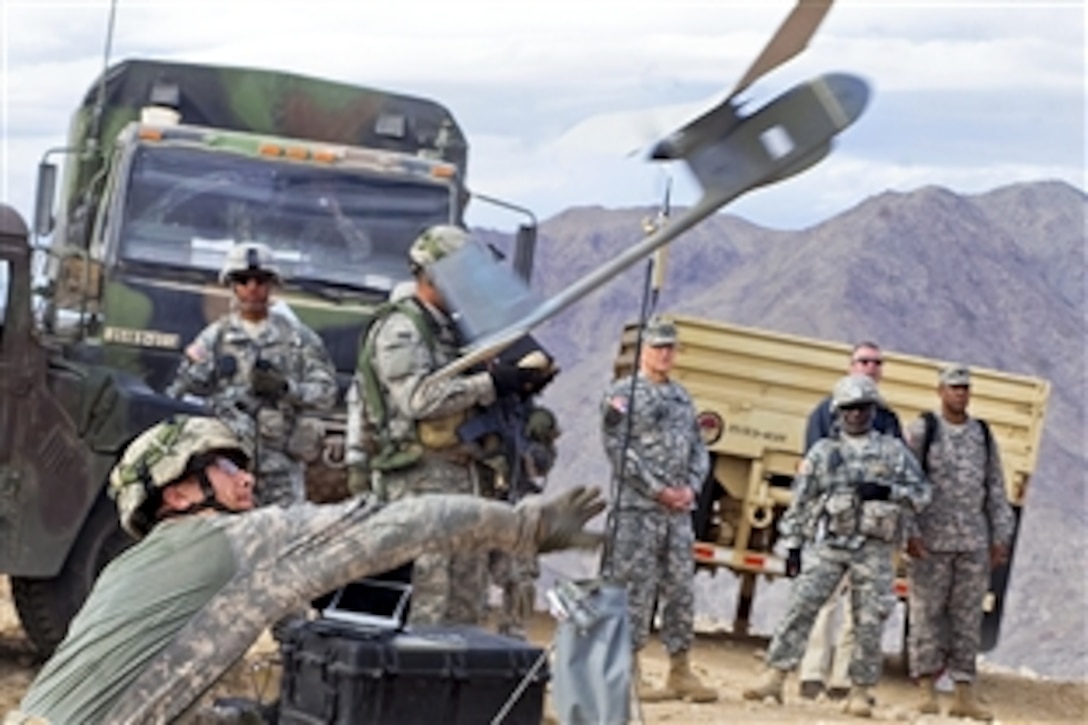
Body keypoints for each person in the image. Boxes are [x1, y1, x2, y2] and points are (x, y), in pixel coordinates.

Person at [7, 415, 605, 724]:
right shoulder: (234, 542)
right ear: (180, 494)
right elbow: (403, 522)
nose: (246, 477)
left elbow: (133, 686)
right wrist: (526, 528)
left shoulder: (128, 571)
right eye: (222, 465)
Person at [357, 224, 555, 627]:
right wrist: (490, 384)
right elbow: (418, 399)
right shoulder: (402, 329)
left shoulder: (446, 330)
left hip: (463, 480)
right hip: (419, 485)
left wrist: (516, 384)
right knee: (427, 604)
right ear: (431, 276)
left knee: (465, 603)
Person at [743, 374, 931, 717]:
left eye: (862, 408)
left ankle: (860, 691)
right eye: (848, 409)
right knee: (802, 606)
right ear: (837, 412)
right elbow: (803, 501)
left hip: (873, 547)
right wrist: (795, 546)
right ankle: (774, 676)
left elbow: (922, 494)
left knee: (869, 619)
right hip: (830, 543)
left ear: (873, 411)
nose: (856, 415)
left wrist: (888, 492)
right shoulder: (824, 452)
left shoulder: (892, 452)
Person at [599, 315, 718, 703]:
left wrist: (690, 488)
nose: (664, 354)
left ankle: (680, 669)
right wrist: (657, 490)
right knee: (635, 590)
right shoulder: (622, 395)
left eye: (670, 347)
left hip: (677, 515)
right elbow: (617, 449)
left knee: (681, 588)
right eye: (657, 347)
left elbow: (699, 449)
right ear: (643, 350)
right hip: (638, 512)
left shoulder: (682, 398)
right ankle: (628, 669)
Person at [167, 241, 337, 508]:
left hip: (281, 466)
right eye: (243, 280)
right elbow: (178, 394)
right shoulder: (215, 339)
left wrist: (286, 389)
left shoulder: (298, 338)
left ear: (272, 284)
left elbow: (326, 393)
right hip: (229, 470)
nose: (252, 288)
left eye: (260, 280)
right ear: (231, 285)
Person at [904, 363, 1014, 720]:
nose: (960, 393)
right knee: (926, 613)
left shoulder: (981, 434)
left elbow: (995, 487)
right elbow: (905, 484)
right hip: (930, 542)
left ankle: (964, 692)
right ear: (940, 391)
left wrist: (1001, 535)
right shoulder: (924, 430)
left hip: (972, 542)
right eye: (953, 387)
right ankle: (926, 687)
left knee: (967, 617)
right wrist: (909, 531)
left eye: (965, 387)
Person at [798, 340, 904, 700]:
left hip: (872, 529)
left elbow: (899, 471)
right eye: (863, 361)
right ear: (850, 365)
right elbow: (813, 465)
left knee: (863, 604)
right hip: (833, 521)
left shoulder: (888, 420)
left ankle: (844, 678)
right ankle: (812, 673)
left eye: (876, 362)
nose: (870, 367)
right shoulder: (824, 413)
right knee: (824, 597)